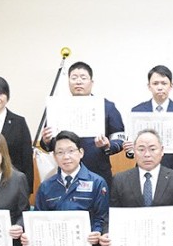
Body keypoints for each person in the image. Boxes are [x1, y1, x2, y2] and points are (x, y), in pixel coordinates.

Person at [40, 61, 125, 189]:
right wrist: (46, 141)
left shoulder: (106, 106)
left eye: (83, 78)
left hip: (98, 171)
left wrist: (108, 145)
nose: (78, 82)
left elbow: (120, 138)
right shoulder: (57, 107)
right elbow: (49, 143)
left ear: (91, 82)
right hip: (66, 173)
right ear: (68, 82)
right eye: (74, 78)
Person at [123, 65, 173, 172]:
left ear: (171, 86)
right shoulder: (137, 112)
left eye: (164, 83)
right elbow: (130, 148)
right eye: (155, 83)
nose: (160, 87)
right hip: (144, 170)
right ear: (149, 86)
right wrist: (129, 149)